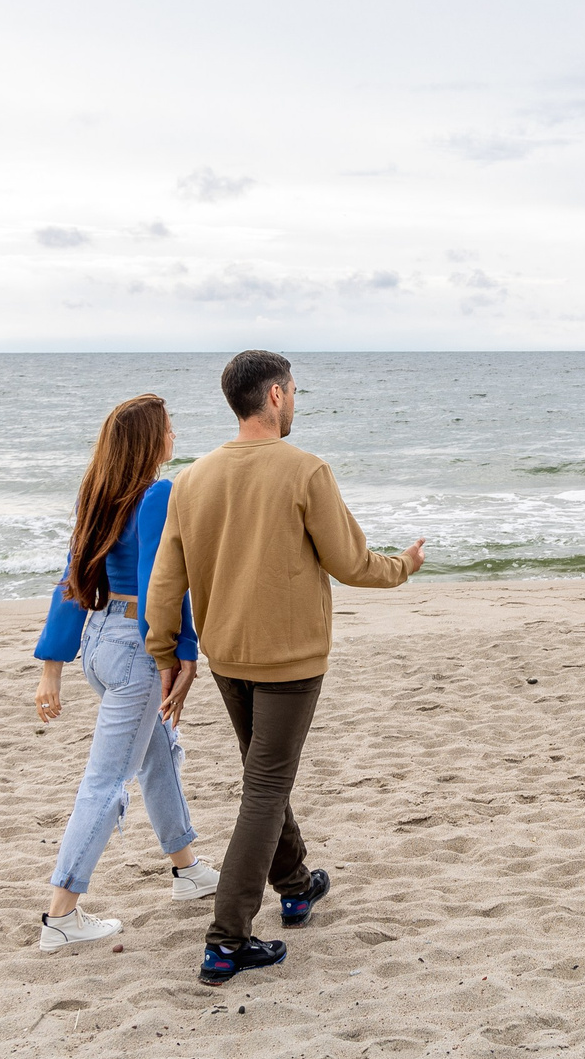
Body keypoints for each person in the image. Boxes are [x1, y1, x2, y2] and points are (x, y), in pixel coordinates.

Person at [146, 350, 425, 986]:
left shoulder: (191, 479)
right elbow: (352, 563)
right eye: (293, 391)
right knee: (265, 787)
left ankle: (296, 885)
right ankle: (227, 940)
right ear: (274, 397)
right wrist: (404, 565)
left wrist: (168, 654)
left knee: (262, 774)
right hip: (290, 661)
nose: (296, 400)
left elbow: (168, 579)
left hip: (228, 656)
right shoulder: (305, 471)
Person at [30, 393, 220, 951]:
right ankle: (62, 915)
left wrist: (53, 669)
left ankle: (187, 869)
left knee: (157, 754)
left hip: (98, 642)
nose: (175, 436)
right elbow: (164, 582)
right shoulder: (158, 494)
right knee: (107, 780)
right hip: (137, 648)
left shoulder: (97, 495)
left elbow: (72, 579)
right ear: (148, 442)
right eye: (168, 428)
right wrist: (177, 653)